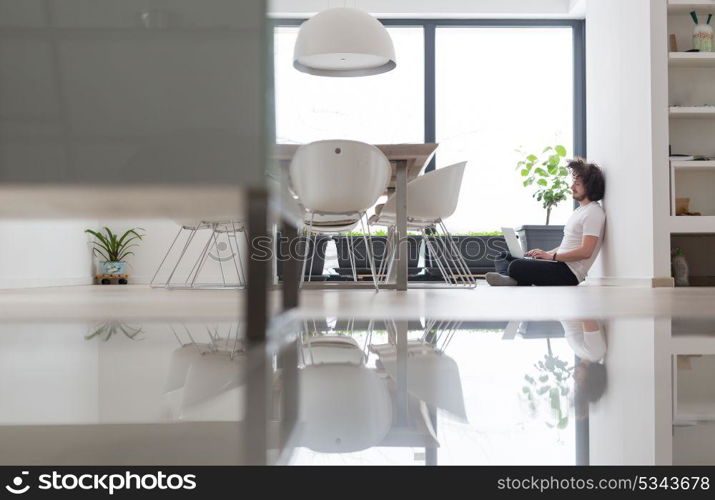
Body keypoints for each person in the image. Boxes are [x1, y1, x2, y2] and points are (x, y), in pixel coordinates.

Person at [485, 158, 606, 286]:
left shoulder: (594, 212)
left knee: (516, 265)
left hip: (569, 273)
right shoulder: (580, 211)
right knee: (503, 256)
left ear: (589, 186)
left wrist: (551, 257)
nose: (571, 187)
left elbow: (585, 252)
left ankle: (512, 278)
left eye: (577, 184)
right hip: (558, 263)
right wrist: (545, 254)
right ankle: (511, 279)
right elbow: (566, 247)